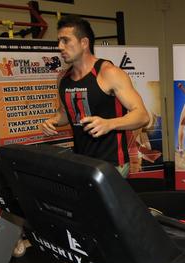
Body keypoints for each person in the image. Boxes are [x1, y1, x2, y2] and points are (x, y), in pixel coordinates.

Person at [40, 15, 150, 177]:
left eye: (65, 40)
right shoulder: (62, 78)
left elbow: (142, 116)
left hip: (112, 163)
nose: (60, 46)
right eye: (59, 41)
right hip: (82, 161)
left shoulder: (108, 73)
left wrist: (109, 124)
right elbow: (65, 113)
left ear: (84, 43)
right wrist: (53, 121)